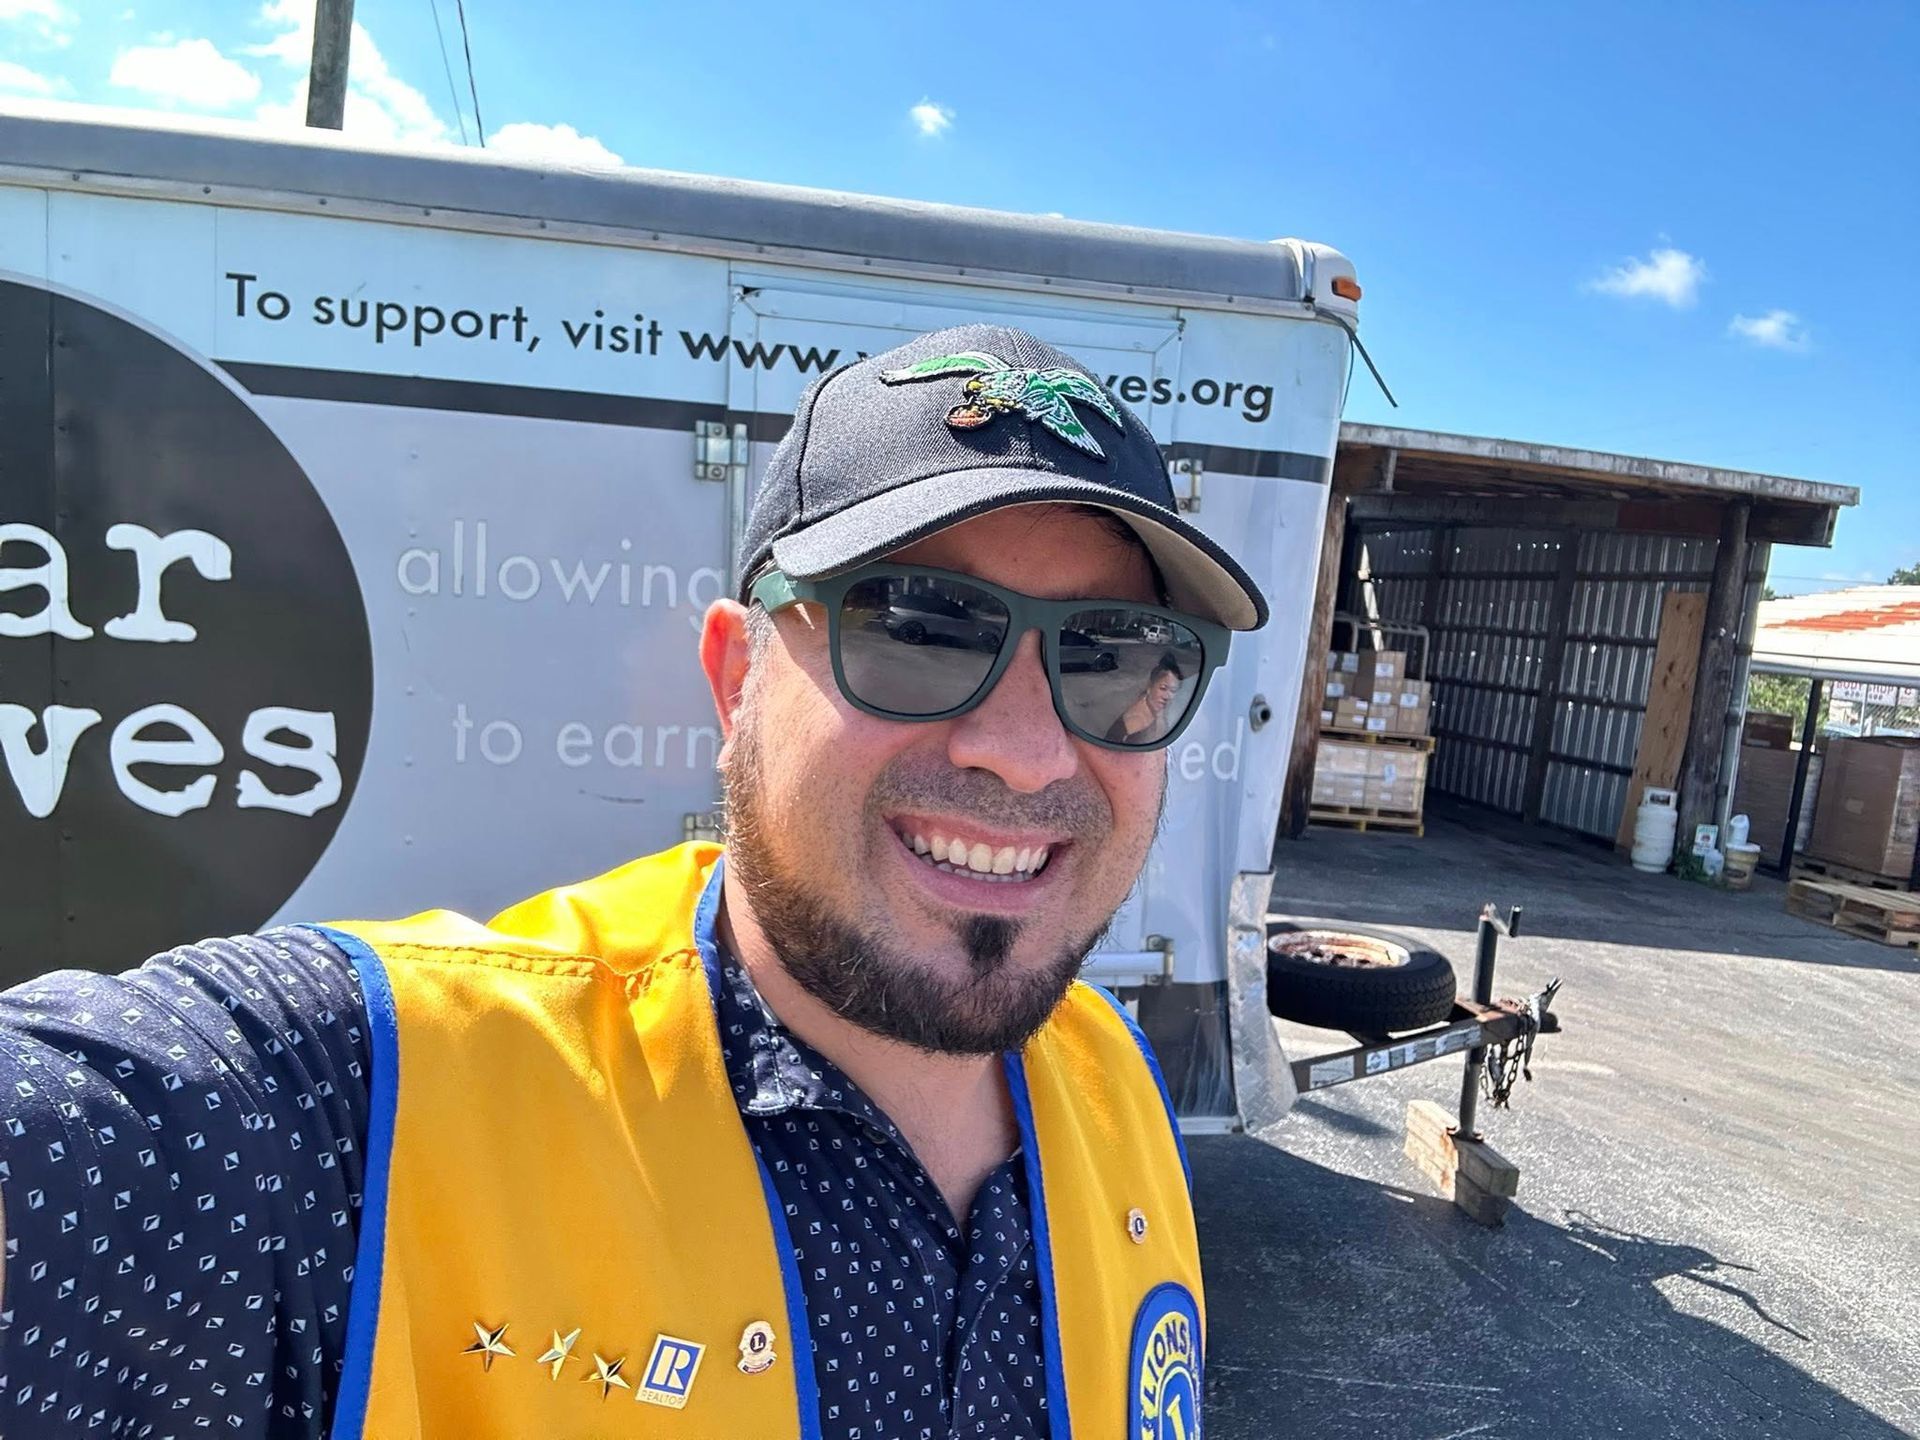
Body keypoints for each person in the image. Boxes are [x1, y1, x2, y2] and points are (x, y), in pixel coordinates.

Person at [0, 325, 1267, 1438]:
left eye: (1113, 657)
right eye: (919, 628)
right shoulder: (361, 1111)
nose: (1028, 746)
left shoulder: (1114, 1079)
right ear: (734, 685)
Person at [1104, 652, 1189, 746]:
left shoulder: (1166, 710)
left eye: (1173, 691)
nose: (1167, 696)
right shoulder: (1134, 722)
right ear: (1150, 687)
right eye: (1163, 688)